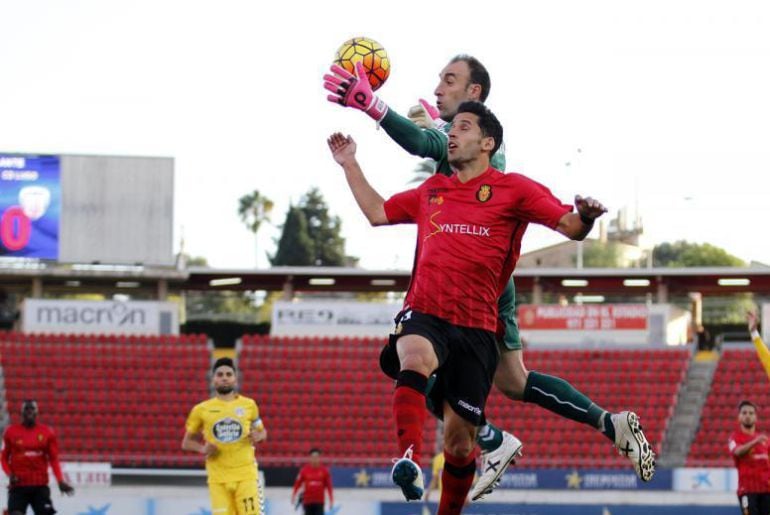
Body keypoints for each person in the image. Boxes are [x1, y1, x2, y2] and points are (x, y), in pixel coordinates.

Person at [324, 55, 655, 497]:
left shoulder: (482, 149)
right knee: (508, 381)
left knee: (430, 365)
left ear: (474, 94)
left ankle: (491, 437)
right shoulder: (450, 159)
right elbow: (386, 202)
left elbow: (421, 144)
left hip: (481, 286)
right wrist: (358, 158)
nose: (439, 88)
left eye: (450, 80)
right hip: (460, 284)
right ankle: (601, 424)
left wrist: (373, 106)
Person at [182, 357, 267, 515]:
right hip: (218, 478)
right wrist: (202, 449)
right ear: (213, 379)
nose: (224, 378)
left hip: (246, 475)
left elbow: (262, 431)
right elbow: (186, 443)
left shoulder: (249, 405)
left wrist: (259, 435)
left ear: (235, 378)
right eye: (220, 374)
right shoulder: (201, 410)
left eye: (228, 374)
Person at [1, 400, 74, 515]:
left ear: (37, 412)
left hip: (40, 485)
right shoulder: (11, 432)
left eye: (32, 409)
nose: (29, 411)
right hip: (18, 485)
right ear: (22, 412)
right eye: (26, 409)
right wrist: (10, 474)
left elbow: (54, 459)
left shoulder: (47, 432)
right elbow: (3, 458)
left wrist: (60, 481)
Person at [728, 400, 770, 515]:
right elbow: (738, 452)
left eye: (751, 413)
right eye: (744, 413)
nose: (748, 416)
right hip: (747, 492)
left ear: (756, 417)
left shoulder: (765, 441)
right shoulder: (734, 438)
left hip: (766, 491)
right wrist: (755, 442)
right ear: (739, 417)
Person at [291, 448, 334, 515]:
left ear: (319, 458)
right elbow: (297, 484)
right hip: (307, 502)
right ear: (310, 458)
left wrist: (331, 499)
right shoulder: (304, 470)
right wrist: (293, 495)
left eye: (316, 457)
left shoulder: (324, 471)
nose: (315, 459)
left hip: (319, 502)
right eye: (313, 457)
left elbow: (329, 487)